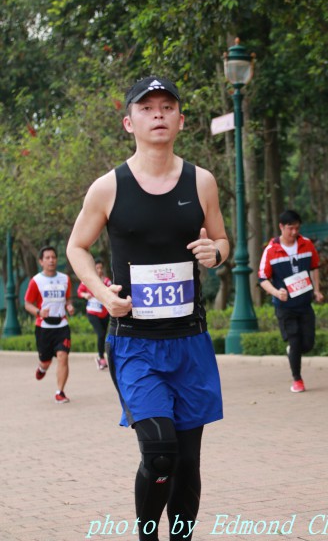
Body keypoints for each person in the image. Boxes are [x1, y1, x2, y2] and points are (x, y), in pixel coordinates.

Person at [66, 76, 229, 541]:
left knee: (187, 463)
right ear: (129, 122)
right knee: (160, 453)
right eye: (146, 107)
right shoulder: (107, 187)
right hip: (135, 343)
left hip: (190, 341)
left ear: (181, 120)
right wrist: (103, 294)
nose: (158, 114)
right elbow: (77, 246)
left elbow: (222, 239)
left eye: (167, 106)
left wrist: (216, 253)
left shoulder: (202, 181)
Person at [258, 210, 323, 393]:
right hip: (285, 306)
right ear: (281, 227)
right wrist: (276, 292)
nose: (294, 232)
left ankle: (293, 352)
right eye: (290, 228)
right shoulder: (271, 250)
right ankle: (297, 380)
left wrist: (317, 290)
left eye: (297, 228)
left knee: (307, 343)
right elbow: (262, 279)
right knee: (295, 341)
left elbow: (315, 267)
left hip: (305, 304)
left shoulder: (307, 244)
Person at [24, 245, 75, 404]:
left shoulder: (65, 279)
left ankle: (60, 392)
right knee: (46, 361)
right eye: (47, 258)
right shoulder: (36, 281)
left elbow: (68, 299)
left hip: (62, 325)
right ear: (41, 261)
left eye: (53, 257)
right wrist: (39, 312)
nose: (51, 260)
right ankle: (42, 368)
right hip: (44, 327)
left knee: (63, 357)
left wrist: (69, 306)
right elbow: (27, 304)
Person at [77, 258, 111, 370]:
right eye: (97, 268)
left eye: (101, 268)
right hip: (92, 312)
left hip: (105, 313)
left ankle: (102, 357)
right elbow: (79, 291)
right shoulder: (87, 280)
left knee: (104, 335)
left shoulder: (107, 281)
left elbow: (112, 292)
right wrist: (85, 295)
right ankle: (101, 358)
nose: (99, 270)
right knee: (100, 334)